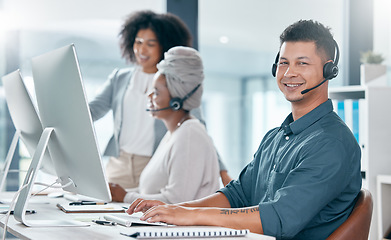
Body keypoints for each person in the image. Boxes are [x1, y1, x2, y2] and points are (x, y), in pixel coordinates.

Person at [126, 20, 362, 240]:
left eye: (302, 63)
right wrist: (176, 209)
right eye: (283, 63)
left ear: (329, 70)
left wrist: (191, 216)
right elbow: (237, 195)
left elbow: (279, 218)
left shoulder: (332, 143)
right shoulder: (276, 137)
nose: (289, 73)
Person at [88, 10, 231, 194]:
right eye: (138, 42)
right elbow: (92, 111)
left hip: (152, 165)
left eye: (150, 44)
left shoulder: (174, 85)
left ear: (164, 46)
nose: (141, 50)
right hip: (119, 165)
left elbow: (197, 129)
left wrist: (222, 170)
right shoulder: (120, 78)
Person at [111, 46, 220, 204]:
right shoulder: (174, 133)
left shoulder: (189, 135)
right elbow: (150, 192)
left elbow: (177, 200)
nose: (149, 95)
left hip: (184, 229)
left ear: (176, 101)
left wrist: (125, 197)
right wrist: (118, 193)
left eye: (156, 92)